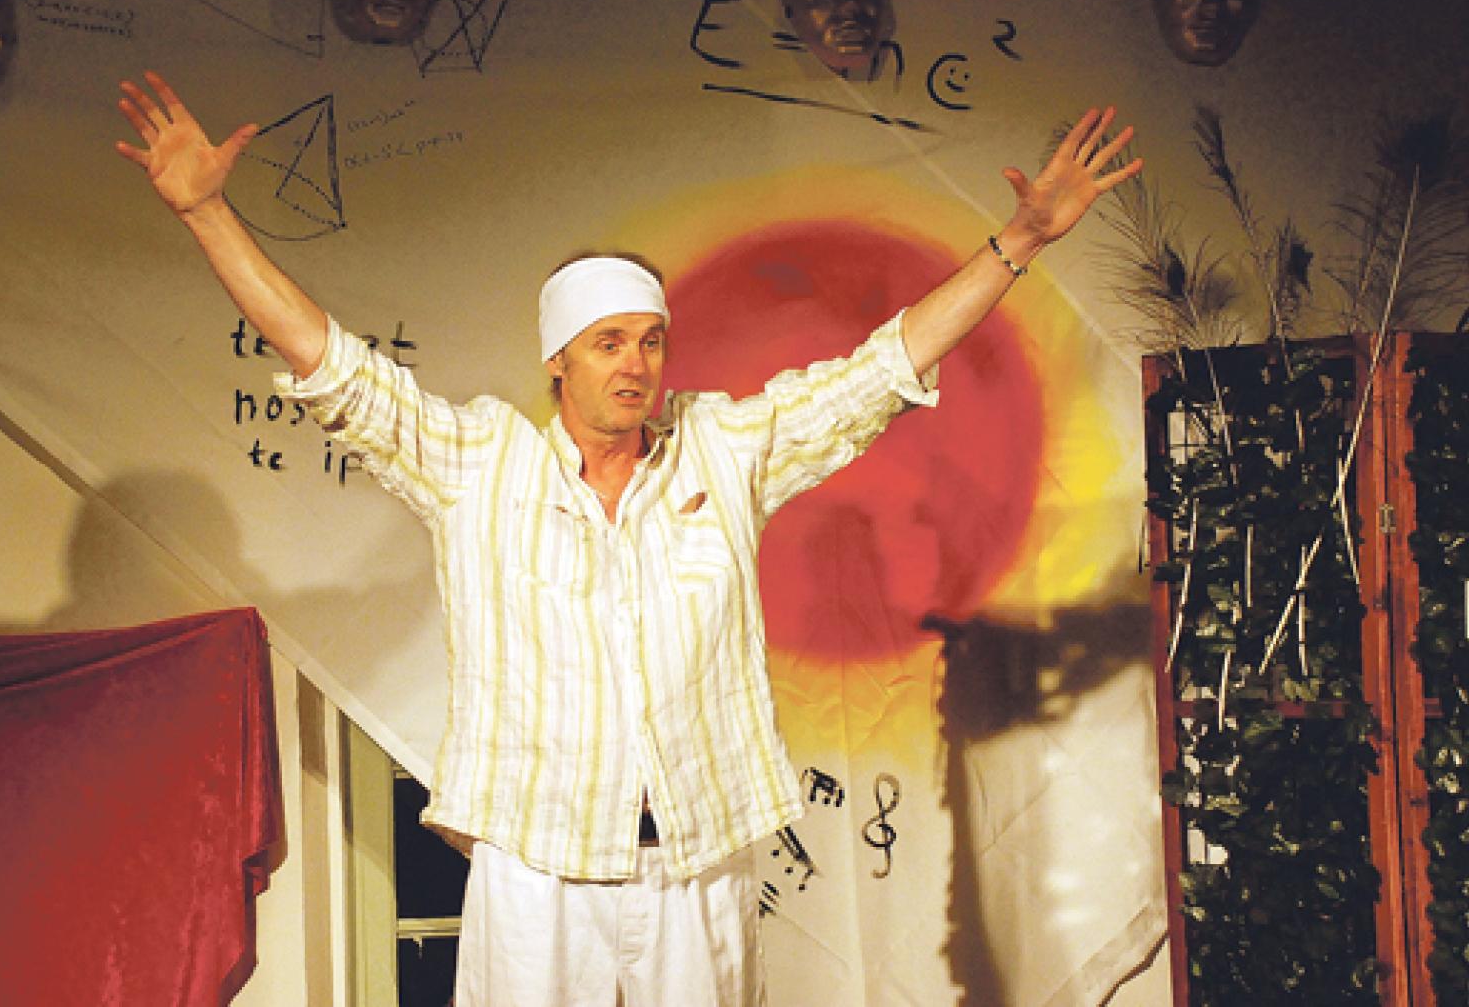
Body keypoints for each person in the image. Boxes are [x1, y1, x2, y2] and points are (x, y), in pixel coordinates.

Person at [114, 70, 1140, 1006]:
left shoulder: (720, 448)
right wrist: (207, 213)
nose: (636, 364)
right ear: (557, 360)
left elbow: (879, 373)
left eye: (650, 341)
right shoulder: (481, 464)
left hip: (695, 860)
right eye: (608, 343)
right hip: (537, 864)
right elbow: (332, 366)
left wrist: (1020, 241)